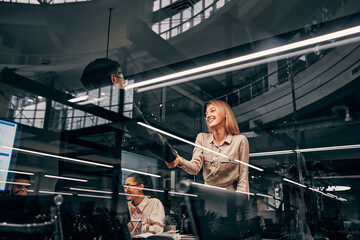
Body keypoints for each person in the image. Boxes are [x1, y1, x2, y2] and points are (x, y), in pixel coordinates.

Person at [80, 58, 177, 163]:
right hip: (105, 169)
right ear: (114, 79)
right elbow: (145, 133)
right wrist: (171, 156)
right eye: (122, 79)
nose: (124, 84)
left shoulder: (80, 106)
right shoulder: (120, 101)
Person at [166, 100, 249, 192]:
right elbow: (195, 168)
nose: (208, 116)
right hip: (206, 194)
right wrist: (179, 160)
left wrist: (241, 202)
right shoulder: (202, 138)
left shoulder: (240, 140)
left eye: (212, 111)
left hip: (229, 196)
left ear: (225, 113)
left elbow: (243, 179)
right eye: (206, 114)